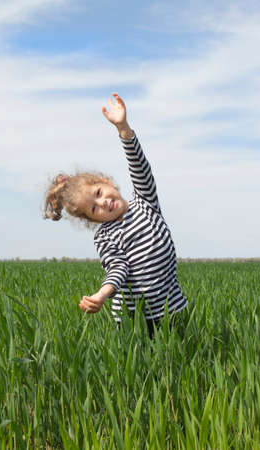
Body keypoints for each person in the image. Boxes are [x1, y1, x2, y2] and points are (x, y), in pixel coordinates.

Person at [44, 93, 187, 338]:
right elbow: (118, 267)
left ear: (107, 182)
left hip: (170, 305)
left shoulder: (145, 202)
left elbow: (140, 168)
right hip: (135, 318)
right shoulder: (105, 237)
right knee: (143, 366)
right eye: (93, 208)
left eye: (99, 192)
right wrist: (102, 294)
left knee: (174, 359)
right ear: (92, 220)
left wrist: (123, 128)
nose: (103, 202)